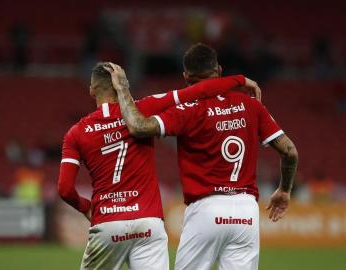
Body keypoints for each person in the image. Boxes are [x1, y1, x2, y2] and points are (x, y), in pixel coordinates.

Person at [106, 43, 299, 270]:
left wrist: (122, 91)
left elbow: (138, 127)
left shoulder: (188, 110)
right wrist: (285, 190)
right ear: (219, 70)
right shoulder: (252, 106)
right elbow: (289, 151)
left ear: (186, 77)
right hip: (246, 211)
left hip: (206, 208)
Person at [57, 61, 260, 270]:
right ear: (123, 85)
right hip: (148, 224)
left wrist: (85, 207)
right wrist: (239, 80)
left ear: (92, 90)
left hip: (108, 222)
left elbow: (64, 189)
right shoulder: (144, 108)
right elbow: (198, 91)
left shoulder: (76, 133)